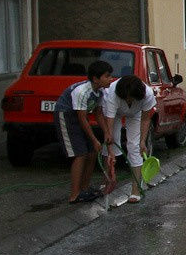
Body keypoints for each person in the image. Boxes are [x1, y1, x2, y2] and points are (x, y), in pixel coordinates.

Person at [54, 60, 115, 204]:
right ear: (95, 78)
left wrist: (106, 132)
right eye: (107, 76)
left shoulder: (100, 91)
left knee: (93, 152)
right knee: (80, 154)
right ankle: (74, 194)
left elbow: (98, 113)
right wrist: (94, 139)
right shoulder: (82, 91)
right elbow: (81, 118)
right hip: (67, 115)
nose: (110, 79)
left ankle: (85, 188)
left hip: (81, 117)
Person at [103, 75, 156, 203]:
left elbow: (145, 119)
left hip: (135, 115)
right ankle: (107, 181)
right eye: (126, 98)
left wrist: (143, 141)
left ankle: (135, 190)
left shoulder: (147, 94)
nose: (129, 101)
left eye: (131, 98)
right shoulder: (112, 94)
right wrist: (110, 149)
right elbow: (109, 127)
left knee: (135, 146)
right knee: (112, 143)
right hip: (114, 114)